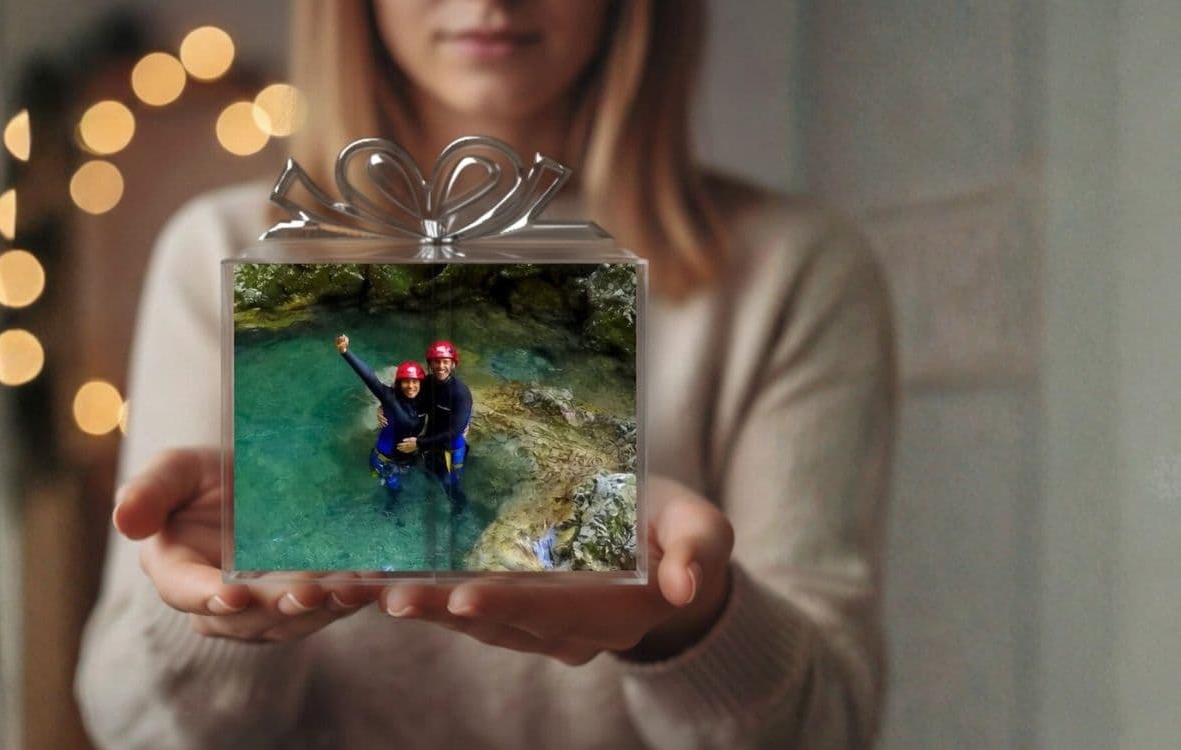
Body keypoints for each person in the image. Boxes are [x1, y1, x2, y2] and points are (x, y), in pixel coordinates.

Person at [77, 2, 896, 748]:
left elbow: (827, 726)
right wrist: (214, 619)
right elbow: (132, 725)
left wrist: (695, 621)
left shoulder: (792, 272)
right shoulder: (222, 251)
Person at [335, 333, 426, 511]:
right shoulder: (389, 398)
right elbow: (369, 377)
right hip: (385, 462)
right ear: (398, 384)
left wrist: (465, 422)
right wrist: (345, 352)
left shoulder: (423, 401)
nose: (410, 386)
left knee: (414, 486)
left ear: (421, 383)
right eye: (405, 382)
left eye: (414, 382)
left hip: (408, 459)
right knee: (395, 495)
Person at [396, 340, 473, 513]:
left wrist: (419, 443)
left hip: (450, 446)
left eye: (446, 362)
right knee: (430, 473)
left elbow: (454, 431)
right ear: (430, 364)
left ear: (453, 364)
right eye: (436, 362)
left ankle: (459, 510)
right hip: (430, 442)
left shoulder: (460, 392)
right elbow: (403, 392)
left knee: (449, 484)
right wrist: (382, 408)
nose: (441, 366)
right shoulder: (427, 383)